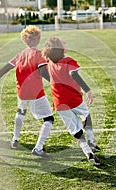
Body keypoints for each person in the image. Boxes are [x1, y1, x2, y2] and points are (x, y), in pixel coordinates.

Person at [0, 25, 54, 157]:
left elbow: (4, 69)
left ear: (25, 40)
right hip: (36, 93)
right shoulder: (39, 55)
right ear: (38, 39)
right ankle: (38, 148)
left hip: (22, 93)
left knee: (21, 113)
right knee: (49, 119)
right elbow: (43, 72)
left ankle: (15, 139)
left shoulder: (20, 55)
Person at [41, 37, 101, 166]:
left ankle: (88, 152)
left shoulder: (50, 63)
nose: (65, 43)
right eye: (63, 42)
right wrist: (88, 91)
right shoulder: (68, 61)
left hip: (59, 103)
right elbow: (74, 75)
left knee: (75, 131)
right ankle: (91, 140)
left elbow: (41, 71)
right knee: (86, 115)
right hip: (74, 99)